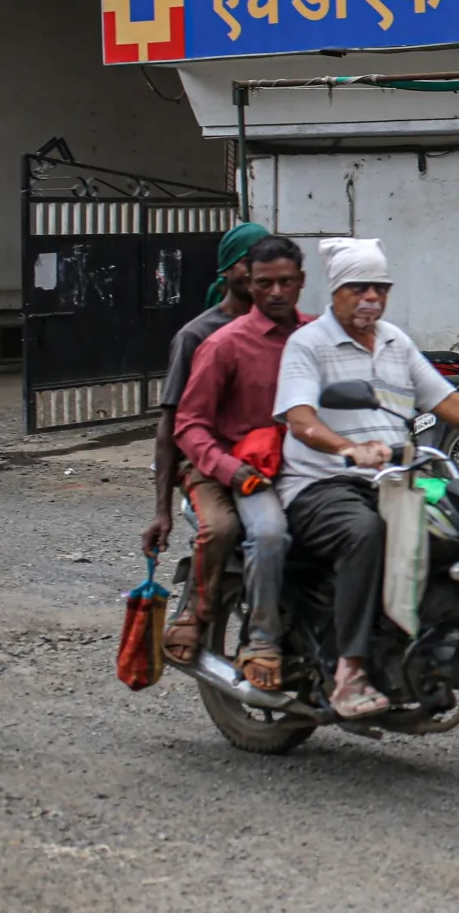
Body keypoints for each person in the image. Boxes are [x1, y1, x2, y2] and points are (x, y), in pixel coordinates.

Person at [274, 238, 459, 718]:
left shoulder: (396, 342)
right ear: (335, 291)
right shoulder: (308, 344)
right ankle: (350, 671)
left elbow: (445, 401)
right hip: (321, 484)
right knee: (367, 534)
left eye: (380, 288)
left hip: (399, 479)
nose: (371, 298)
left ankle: (445, 637)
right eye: (359, 288)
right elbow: (300, 419)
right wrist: (348, 448)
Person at [171, 236, 311, 690]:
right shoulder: (221, 343)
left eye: (286, 282)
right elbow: (187, 424)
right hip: (236, 470)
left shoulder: (317, 337)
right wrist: (232, 470)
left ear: (301, 283)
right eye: (265, 283)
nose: (276, 292)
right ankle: (259, 639)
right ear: (248, 283)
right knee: (265, 533)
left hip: (303, 468)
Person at [142, 219, 271, 666]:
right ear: (229, 270)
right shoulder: (198, 335)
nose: (260, 274)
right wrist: (161, 510)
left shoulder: (282, 329)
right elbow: (170, 425)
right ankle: (194, 615)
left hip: (266, 458)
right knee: (223, 527)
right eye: (250, 263)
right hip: (204, 462)